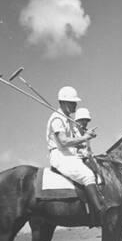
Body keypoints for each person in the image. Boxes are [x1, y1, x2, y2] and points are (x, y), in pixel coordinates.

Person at [46, 86, 104, 227]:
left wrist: (83, 140)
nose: (75, 105)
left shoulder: (66, 119)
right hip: (60, 155)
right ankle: (101, 215)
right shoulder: (57, 119)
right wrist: (85, 138)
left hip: (68, 154)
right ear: (65, 102)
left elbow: (72, 143)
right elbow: (64, 141)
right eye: (73, 102)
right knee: (88, 175)